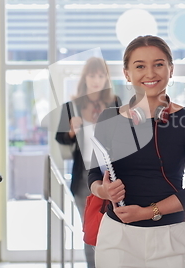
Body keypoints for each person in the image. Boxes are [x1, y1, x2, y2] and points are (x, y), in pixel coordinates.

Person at [88, 35, 185, 267]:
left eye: (158, 64)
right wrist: (104, 191)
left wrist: (146, 212)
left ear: (171, 69)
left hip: (172, 238)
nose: (150, 73)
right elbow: (94, 176)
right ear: (127, 74)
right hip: (117, 237)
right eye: (140, 66)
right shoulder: (109, 118)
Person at [55, 57, 121, 268]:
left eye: (101, 75)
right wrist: (72, 129)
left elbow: (124, 136)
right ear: (85, 78)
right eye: (92, 75)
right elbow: (61, 137)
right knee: (90, 227)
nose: (96, 80)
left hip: (110, 172)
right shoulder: (72, 106)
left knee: (114, 225)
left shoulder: (115, 102)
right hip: (84, 174)